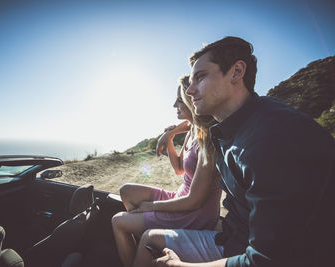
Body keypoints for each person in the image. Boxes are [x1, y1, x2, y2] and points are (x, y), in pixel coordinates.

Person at [133, 36, 335, 267]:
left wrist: (182, 266)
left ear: (236, 72)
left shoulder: (269, 140)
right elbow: (193, 123)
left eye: (200, 77)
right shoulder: (238, 124)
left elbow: (268, 260)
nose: (189, 91)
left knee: (151, 247)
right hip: (234, 237)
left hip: (252, 250)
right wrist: (169, 134)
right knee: (150, 240)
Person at [111, 76, 222, 267]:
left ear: (191, 101)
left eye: (179, 100)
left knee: (118, 221)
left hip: (194, 212)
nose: (174, 105)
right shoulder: (192, 131)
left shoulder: (207, 141)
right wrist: (169, 137)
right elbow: (180, 169)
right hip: (180, 197)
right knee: (126, 191)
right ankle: (148, 242)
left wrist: (151, 207)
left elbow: (193, 201)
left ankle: (140, 255)